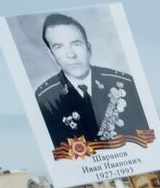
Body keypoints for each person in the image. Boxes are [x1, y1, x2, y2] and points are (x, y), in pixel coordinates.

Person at [34, 13, 149, 149]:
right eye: (58, 47)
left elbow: (145, 138)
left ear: (88, 48)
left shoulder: (124, 83)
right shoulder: (46, 99)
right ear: (51, 55)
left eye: (76, 44)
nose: (71, 54)